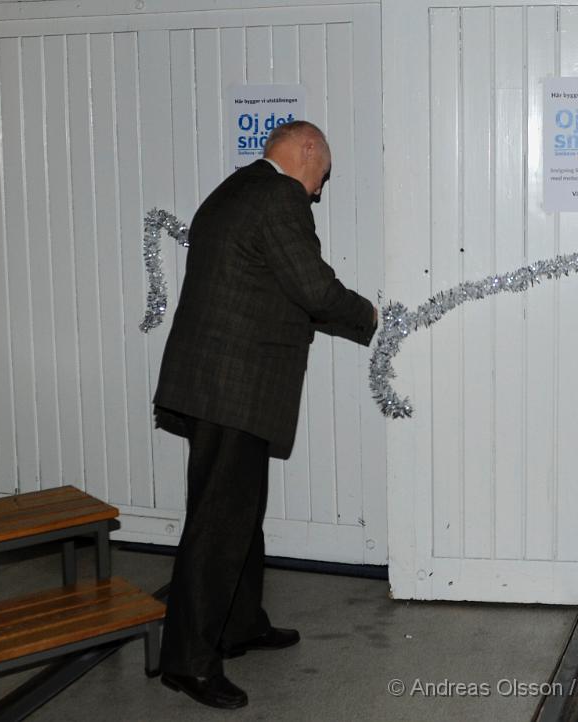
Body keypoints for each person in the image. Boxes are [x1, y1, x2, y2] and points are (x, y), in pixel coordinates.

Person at [153, 120, 377, 710]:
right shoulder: (280, 197)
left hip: (214, 383)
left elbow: (262, 283)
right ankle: (188, 662)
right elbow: (313, 288)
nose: (319, 191)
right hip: (234, 386)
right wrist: (370, 316)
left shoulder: (234, 189)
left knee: (238, 511)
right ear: (306, 149)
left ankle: (240, 623)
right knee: (218, 524)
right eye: (321, 175)